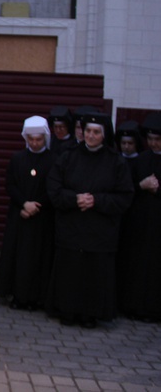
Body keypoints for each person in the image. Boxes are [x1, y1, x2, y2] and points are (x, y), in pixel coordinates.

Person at [46, 112, 134, 328]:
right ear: (82, 133)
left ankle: (91, 315)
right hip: (72, 228)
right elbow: (53, 188)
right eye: (88, 131)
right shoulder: (68, 156)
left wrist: (96, 200)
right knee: (70, 271)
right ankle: (66, 311)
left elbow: (124, 196)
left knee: (95, 274)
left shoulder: (116, 162)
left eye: (96, 132)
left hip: (100, 231)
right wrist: (74, 199)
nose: (91, 136)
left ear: (104, 135)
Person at [0, 116, 56, 311]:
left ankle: (36, 298)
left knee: (39, 257)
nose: (35, 143)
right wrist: (24, 203)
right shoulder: (17, 158)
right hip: (19, 215)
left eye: (38, 139)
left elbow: (54, 188)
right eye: (31, 139)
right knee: (18, 256)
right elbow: (10, 185)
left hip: (42, 217)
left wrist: (37, 205)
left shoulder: (54, 160)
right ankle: (17, 295)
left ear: (45, 138)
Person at [117, 112, 161, 322]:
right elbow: (127, 189)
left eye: (157, 139)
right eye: (150, 139)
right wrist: (142, 186)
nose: (153, 143)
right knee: (138, 265)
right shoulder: (141, 160)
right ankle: (133, 307)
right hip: (140, 224)